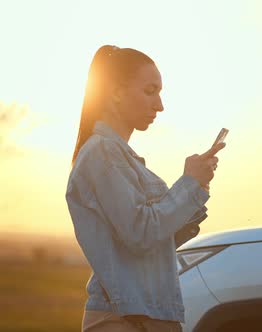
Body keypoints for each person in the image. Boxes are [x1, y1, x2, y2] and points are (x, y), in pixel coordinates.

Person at [65, 45, 225, 331]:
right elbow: (140, 232)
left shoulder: (119, 156)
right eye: (150, 91)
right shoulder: (102, 153)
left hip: (145, 316)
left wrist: (197, 184)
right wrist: (188, 183)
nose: (159, 105)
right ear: (115, 92)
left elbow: (150, 240)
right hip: (125, 319)